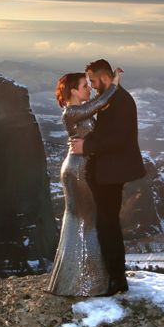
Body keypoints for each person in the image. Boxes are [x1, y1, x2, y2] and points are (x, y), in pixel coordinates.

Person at [71, 59, 146, 295]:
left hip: (110, 174)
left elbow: (118, 139)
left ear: (104, 78)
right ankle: (112, 276)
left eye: (92, 81)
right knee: (107, 224)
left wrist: (87, 145)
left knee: (108, 225)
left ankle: (115, 280)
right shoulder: (113, 98)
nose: (91, 86)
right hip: (106, 172)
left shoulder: (120, 101)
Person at [47, 66, 123, 296]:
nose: (88, 89)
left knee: (85, 220)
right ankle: (85, 281)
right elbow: (98, 104)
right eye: (84, 86)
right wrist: (114, 85)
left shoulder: (79, 111)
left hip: (82, 167)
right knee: (86, 221)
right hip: (78, 170)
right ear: (72, 91)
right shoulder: (71, 112)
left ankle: (82, 278)